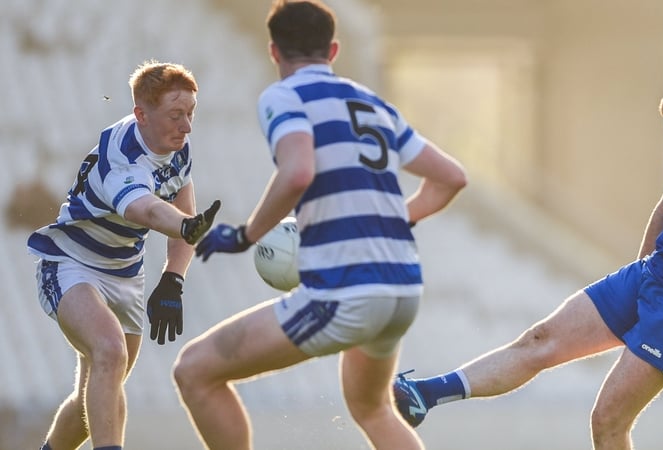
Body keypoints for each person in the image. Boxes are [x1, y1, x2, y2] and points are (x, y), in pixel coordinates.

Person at [393, 77, 663, 449]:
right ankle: (426, 395)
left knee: (607, 421)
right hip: (650, 277)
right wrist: (641, 275)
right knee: (539, 340)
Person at [171, 1, 467, 449]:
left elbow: (297, 172)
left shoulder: (284, 96)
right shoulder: (373, 104)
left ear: (274, 52)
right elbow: (451, 177)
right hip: (403, 287)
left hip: (347, 290)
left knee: (194, 370)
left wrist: (246, 234)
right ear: (333, 50)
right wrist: (394, 219)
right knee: (373, 408)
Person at [27, 60, 220, 450]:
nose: (186, 126)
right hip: (70, 264)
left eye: (190, 114)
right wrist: (183, 226)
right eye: (176, 115)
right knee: (110, 352)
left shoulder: (177, 146)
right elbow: (145, 210)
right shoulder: (123, 155)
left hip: (125, 275)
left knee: (96, 399)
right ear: (141, 115)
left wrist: (174, 278)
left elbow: (186, 213)